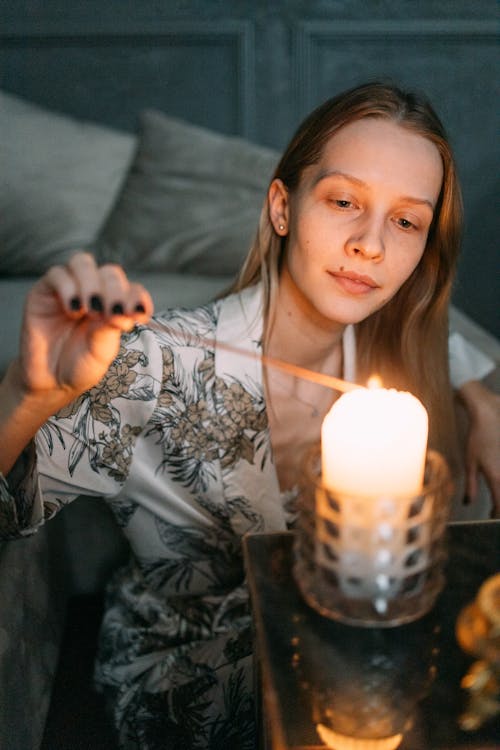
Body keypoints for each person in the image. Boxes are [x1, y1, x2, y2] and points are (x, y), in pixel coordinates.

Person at [0, 82, 498, 749]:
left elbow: (444, 337)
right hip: (186, 666)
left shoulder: (390, 351)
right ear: (283, 207)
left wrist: (481, 398)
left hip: (359, 651)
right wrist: (28, 395)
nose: (371, 245)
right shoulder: (155, 361)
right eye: (344, 201)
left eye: (406, 220)